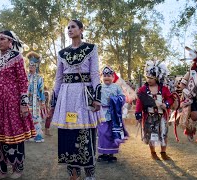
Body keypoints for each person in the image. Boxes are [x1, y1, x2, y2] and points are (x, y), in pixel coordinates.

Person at [50, 19, 102, 180]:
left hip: (83, 95)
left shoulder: (91, 49)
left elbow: (94, 74)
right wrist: (53, 101)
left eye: (73, 27)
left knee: (85, 131)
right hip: (66, 98)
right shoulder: (62, 53)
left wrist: (97, 98)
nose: (69, 29)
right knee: (68, 132)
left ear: (81, 29)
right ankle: (73, 173)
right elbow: (58, 78)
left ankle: (89, 174)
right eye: (68, 28)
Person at [0, 30, 36, 180]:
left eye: (2, 39)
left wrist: (23, 103)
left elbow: (23, 81)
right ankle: (1, 170)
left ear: (10, 41)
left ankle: (17, 168)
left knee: (13, 136)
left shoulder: (17, 57)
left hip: (12, 103)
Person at [135, 60, 174, 160]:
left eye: (151, 78)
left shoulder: (164, 89)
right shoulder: (143, 90)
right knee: (150, 134)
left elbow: (170, 98)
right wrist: (138, 114)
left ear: (157, 78)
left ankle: (163, 152)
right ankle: (153, 152)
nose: (149, 80)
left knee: (163, 134)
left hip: (161, 117)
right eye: (147, 77)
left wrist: (166, 104)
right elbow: (139, 102)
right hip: (149, 117)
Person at [97, 66, 128, 162]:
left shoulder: (117, 87)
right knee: (102, 133)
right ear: (101, 77)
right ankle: (103, 153)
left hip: (114, 115)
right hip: (102, 114)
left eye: (109, 75)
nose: (107, 77)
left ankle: (111, 154)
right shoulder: (99, 87)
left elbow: (123, 98)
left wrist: (115, 100)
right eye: (105, 75)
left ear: (113, 77)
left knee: (112, 133)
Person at [27, 51, 46, 142]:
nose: (30, 67)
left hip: (36, 101)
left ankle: (38, 136)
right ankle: (28, 135)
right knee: (26, 117)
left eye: (32, 65)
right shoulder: (25, 77)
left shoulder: (39, 78)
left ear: (36, 66)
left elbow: (41, 90)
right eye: (29, 65)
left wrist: (43, 102)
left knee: (35, 117)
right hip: (26, 101)